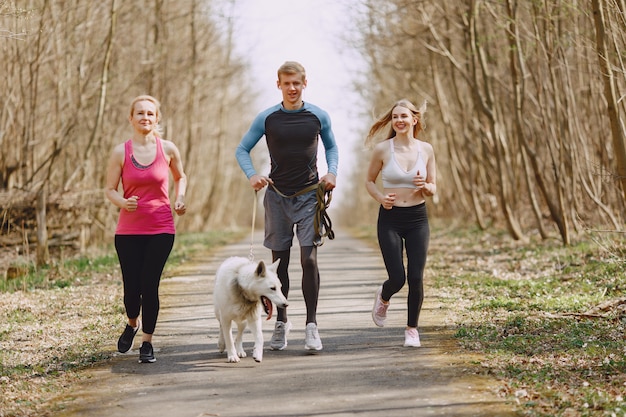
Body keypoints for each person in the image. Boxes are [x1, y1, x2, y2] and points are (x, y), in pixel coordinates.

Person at [235, 61, 338, 352]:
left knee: (309, 260)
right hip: (277, 197)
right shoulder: (267, 118)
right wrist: (252, 175)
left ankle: (312, 326)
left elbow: (332, 147)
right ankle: (281, 322)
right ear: (278, 84)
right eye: (286, 83)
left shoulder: (318, 116)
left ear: (305, 83)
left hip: (309, 196)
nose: (292, 88)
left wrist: (332, 172)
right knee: (278, 265)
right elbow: (242, 149)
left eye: (296, 83)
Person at [105, 95, 188, 363]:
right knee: (132, 288)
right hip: (128, 230)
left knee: (149, 285)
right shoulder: (121, 152)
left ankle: (147, 343)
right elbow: (109, 189)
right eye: (140, 113)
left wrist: (179, 197)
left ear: (157, 118)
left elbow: (180, 176)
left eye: (150, 114)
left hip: (161, 227)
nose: (145, 117)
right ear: (131, 118)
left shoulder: (168, 149)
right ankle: (132, 323)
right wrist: (123, 202)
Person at [364, 98, 436, 347]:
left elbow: (433, 188)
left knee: (416, 277)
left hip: (417, 218)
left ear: (414, 120)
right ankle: (383, 297)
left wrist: (425, 186)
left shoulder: (426, 149)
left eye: (404, 116)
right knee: (397, 278)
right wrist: (381, 197)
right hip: (390, 218)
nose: (399, 121)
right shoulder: (383, 149)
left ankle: (412, 330)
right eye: (395, 117)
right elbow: (369, 181)